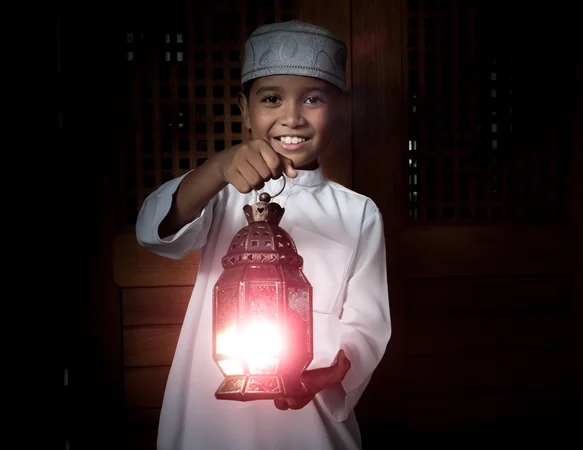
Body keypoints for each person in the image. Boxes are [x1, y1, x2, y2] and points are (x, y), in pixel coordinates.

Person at [136, 20, 391, 450]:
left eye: (313, 99)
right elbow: (153, 231)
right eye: (271, 98)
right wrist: (217, 170)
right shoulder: (219, 192)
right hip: (210, 416)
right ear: (244, 107)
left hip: (308, 419)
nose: (292, 116)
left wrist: (323, 377)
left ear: (339, 108)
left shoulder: (358, 212)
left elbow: (366, 326)